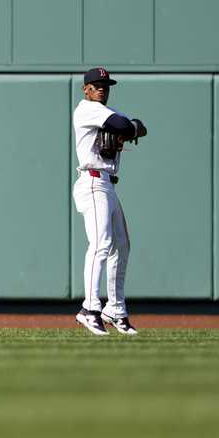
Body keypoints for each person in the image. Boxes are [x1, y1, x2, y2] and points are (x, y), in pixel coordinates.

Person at [72, 67, 147, 335]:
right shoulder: (87, 109)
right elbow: (126, 125)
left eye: (105, 84)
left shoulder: (104, 112)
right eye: (96, 84)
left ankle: (115, 309)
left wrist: (130, 126)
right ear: (86, 89)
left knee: (122, 246)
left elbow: (141, 127)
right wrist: (128, 128)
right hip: (93, 182)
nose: (101, 88)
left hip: (107, 185)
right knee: (101, 244)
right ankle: (89, 309)